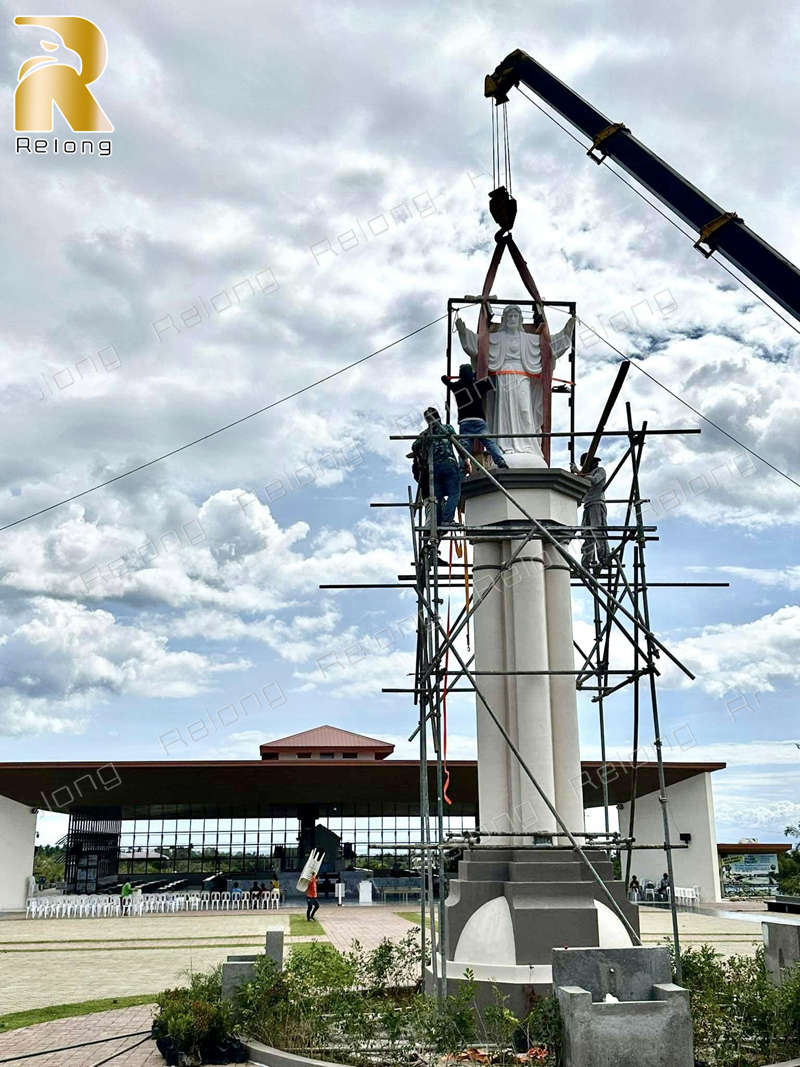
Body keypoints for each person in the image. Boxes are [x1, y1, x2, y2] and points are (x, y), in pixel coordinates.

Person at [456, 305, 575, 464]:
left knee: (525, 410)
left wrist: (566, 333)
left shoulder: (528, 339)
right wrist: (464, 332)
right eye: (509, 316)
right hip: (503, 377)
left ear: (520, 319)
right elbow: (479, 346)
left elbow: (548, 347)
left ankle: (527, 445)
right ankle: (504, 446)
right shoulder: (496, 338)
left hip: (522, 377)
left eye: (515, 316)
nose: (512, 319)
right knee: (503, 412)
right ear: (504, 319)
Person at [410, 407, 471, 528]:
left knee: (437, 496)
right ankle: (447, 519)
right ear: (438, 417)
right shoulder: (447, 428)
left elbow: (414, 446)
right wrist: (466, 460)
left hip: (434, 468)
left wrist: (423, 448)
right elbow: (458, 445)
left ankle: (437, 523)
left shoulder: (424, 434)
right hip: (449, 463)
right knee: (454, 493)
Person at [441, 362, 509, 470]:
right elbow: (493, 381)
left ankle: (463, 468)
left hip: (465, 422)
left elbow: (444, 380)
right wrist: (477, 375)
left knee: (464, 448)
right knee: (489, 442)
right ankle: (500, 461)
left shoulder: (456, 386)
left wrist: (445, 378)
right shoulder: (478, 385)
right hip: (479, 420)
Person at [571, 451, 610, 571]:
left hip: (597, 504)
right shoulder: (585, 476)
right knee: (587, 534)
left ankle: (604, 558)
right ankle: (586, 561)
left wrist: (578, 473)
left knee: (598, 531)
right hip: (587, 506)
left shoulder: (600, 471)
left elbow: (594, 480)